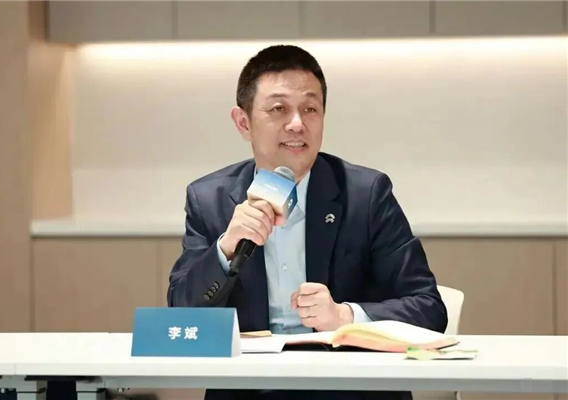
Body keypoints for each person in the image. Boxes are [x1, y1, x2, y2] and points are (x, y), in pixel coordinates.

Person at [167, 44, 447, 400]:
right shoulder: (210, 200)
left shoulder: (366, 195)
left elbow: (428, 307)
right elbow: (180, 315)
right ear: (243, 123)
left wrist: (345, 317)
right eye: (279, 109)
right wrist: (224, 250)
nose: (297, 124)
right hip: (250, 388)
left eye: (310, 109)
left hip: (347, 389)